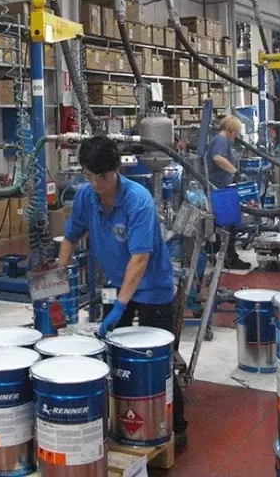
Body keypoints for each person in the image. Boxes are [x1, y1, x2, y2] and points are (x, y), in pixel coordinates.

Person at [57, 135, 188, 449]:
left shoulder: (137, 200)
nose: (93, 183)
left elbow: (140, 259)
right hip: (116, 285)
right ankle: (121, 418)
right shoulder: (86, 197)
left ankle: (177, 426)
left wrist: (120, 307)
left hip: (152, 289)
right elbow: (70, 237)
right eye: (87, 175)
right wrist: (57, 279)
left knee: (157, 360)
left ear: (113, 171)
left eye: (98, 176)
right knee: (111, 353)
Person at [206, 115, 251, 270]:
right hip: (219, 189)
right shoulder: (221, 140)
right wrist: (234, 171)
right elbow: (217, 158)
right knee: (229, 224)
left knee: (222, 225)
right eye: (236, 132)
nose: (236, 136)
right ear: (231, 130)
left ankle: (215, 253)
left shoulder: (219, 140)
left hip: (220, 187)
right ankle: (230, 258)